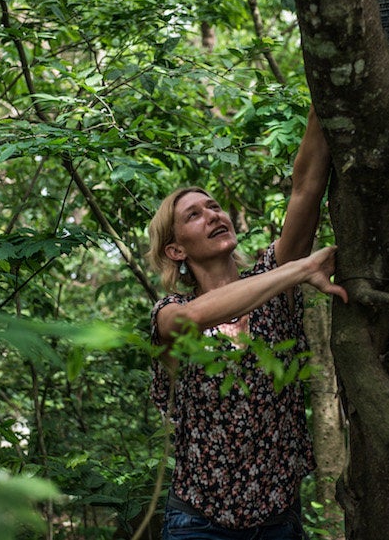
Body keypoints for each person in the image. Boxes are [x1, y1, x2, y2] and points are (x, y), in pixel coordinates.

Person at [145, 105, 347, 540]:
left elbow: (306, 188)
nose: (214, 215)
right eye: (194, 215)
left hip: (278, 522)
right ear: (176, 251)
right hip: (198, 523)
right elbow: (191, 320)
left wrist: (324, 91)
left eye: (214, 207)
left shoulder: (271, 282)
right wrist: (296, 271)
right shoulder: (168, 311)